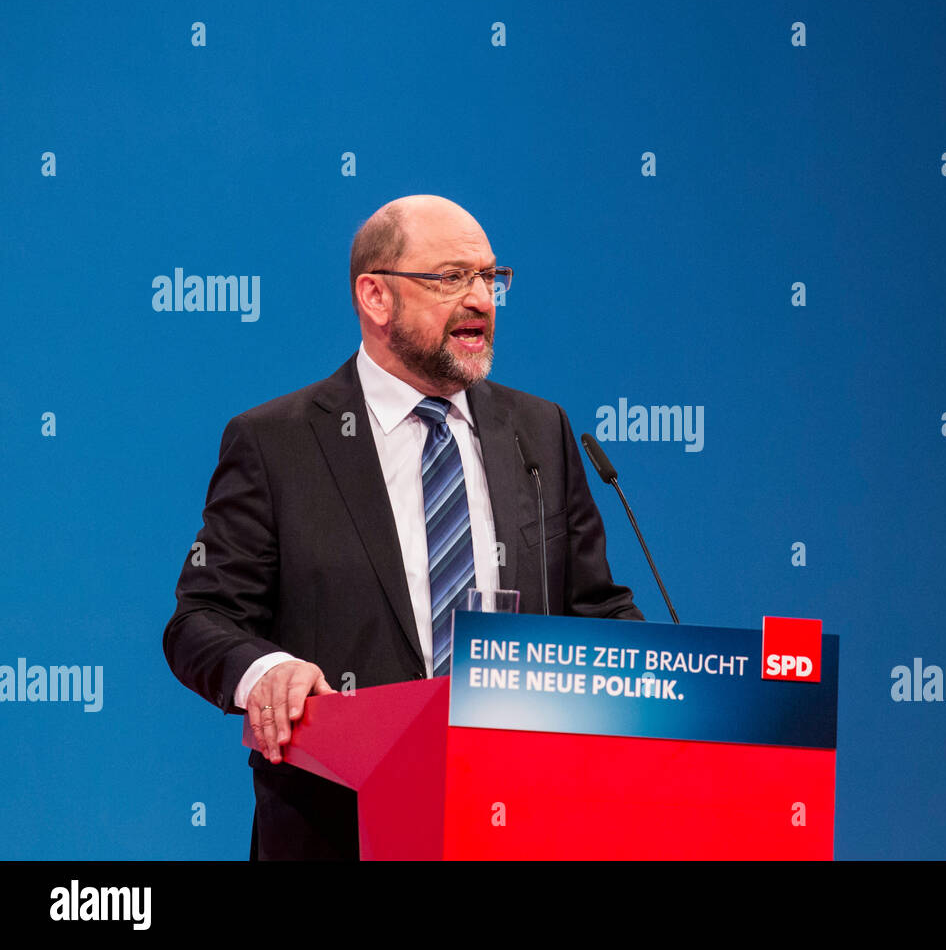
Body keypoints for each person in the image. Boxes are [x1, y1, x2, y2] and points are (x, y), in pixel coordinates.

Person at [163, 195, 643, 859]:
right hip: (339, 831)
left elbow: (595, 610)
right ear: (375, 297)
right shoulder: (277, 442)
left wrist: (660, 685)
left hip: (522, 822)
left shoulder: (540, 432)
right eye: (450, 279)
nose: (480, 299)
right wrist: (266, 671)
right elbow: (200, 620)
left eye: (489, 278)